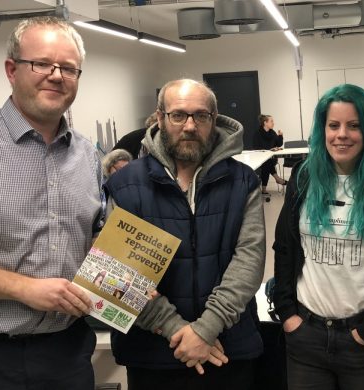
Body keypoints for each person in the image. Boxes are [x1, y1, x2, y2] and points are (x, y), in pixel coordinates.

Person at [0, 17, 103, 389]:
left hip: (67, 354)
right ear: (12, 70)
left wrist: (126, 273)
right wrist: (22, 288)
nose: (56, 75)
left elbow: (96, 235)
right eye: (42, 63)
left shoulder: (87, 155)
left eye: (68, 68)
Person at [105, 78, 265, 389]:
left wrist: (206, 329)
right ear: (160, 118)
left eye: (200, 116)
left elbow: (249, 261)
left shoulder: (243, 182)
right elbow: (117, 276)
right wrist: (176, 330)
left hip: (228, 349)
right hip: (152, 353)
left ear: (213, 120)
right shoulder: (125, 186)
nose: (189, 126)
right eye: (178, 115)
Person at [273, 83, 364, 390]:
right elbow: (285, 249)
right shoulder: (303, 178)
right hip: (306, 337)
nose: (342, 134)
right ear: (322, 129)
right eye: (333, 125)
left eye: (354, 125)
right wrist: (288, 314)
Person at [253, 114, 288, 194]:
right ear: (265, 123)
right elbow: (256, 147)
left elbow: (278, 144)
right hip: (260, 158)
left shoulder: (272, 133)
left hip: (271, 159)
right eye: (271, 121)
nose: (273, 123)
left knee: (267, 163)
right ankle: (278, 179)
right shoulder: (257, 133)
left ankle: (264, 189)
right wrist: (269, 150)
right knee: (266, 162)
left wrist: (280, 136)